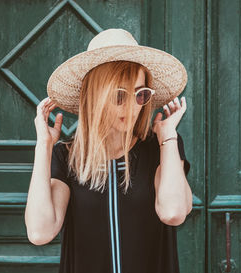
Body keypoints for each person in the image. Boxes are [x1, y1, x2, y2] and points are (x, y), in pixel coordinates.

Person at [24, 28, 192, 273]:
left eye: (140, 94)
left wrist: (168, 137)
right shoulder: (68, 158)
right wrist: (44, 146)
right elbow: (40, 232)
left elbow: (174, 212)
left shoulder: (159, 149)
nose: (133, 107)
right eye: (119, 96)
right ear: (95, 97)